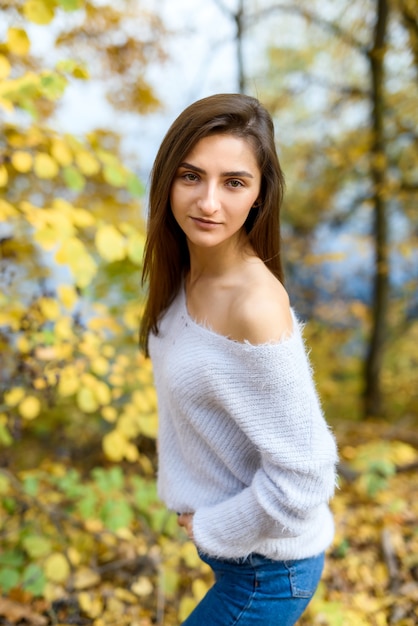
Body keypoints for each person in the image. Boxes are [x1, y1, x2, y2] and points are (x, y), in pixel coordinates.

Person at [140, 93, 338, 626]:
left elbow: (307, 477)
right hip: (241, 562)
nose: (208, 202)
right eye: (191, 176)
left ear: (258, 195)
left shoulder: (254, 306)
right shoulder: (185, 269)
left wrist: (213, 526)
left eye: (233, 182)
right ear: (167, 180)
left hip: (267, 573)